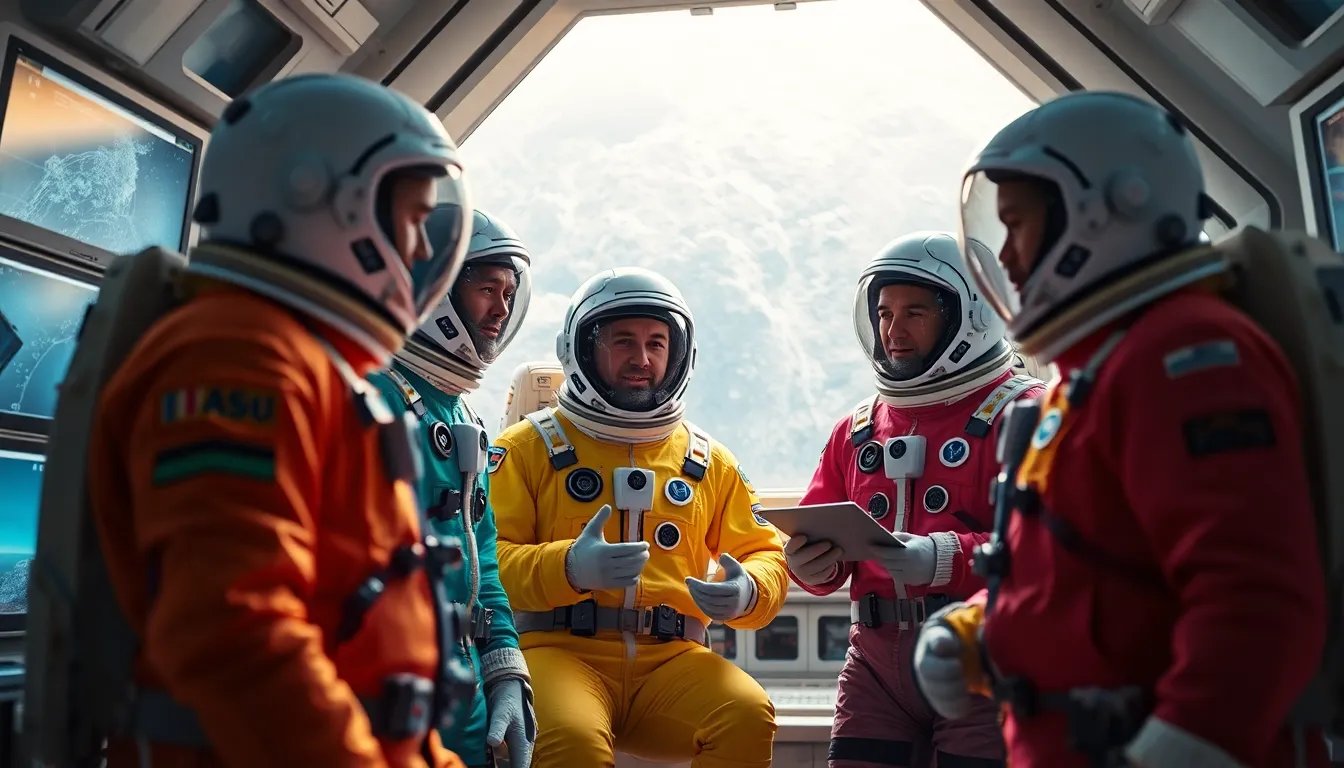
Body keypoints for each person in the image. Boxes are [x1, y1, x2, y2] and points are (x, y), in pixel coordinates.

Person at [911, 90, 1330, 767]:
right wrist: (974, 634)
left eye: (1019, 227)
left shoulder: (1187, 356)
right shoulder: (1092, 374)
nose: (1009, 260)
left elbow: (1257, 604)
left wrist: (1181, 750)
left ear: (1110, 208)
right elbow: (1083, 577)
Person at [86, 73, 476, 767]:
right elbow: (234, 628)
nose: (420, 252)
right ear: (316, 197)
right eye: (413, 220)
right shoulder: (239, 357)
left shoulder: (297, 360)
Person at [488, 267, 789, 768]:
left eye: (656, 343)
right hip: (557, 654)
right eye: (622, 341)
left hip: (671, 662)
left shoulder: (708, 461)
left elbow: (764, 553)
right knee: (572, 740)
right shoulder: (525, 449)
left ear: (678, 356)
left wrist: (747, 591)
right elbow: (485, 562)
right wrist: (569, 568)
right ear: (582, 350)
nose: (642, 359)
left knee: (745, 713)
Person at [784, 232, 1043, 768]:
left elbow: (1043, 551)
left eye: (915, 313)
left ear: (969, 318)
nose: (893, 331)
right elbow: (819, 546)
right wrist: (809, 565)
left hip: (978, 658)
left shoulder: (1025, 415)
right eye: (883, 314)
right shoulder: (856, 431)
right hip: (875, 667)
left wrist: (941, 556)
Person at [368, 209, 537, 768]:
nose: (501, 309)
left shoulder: (460, 408)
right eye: (487, 288)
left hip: (462, 686)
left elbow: (481, 558)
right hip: (388, 683)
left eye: (509, 293)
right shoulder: (378, 397)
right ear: (434, 288)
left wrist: (506, 674)